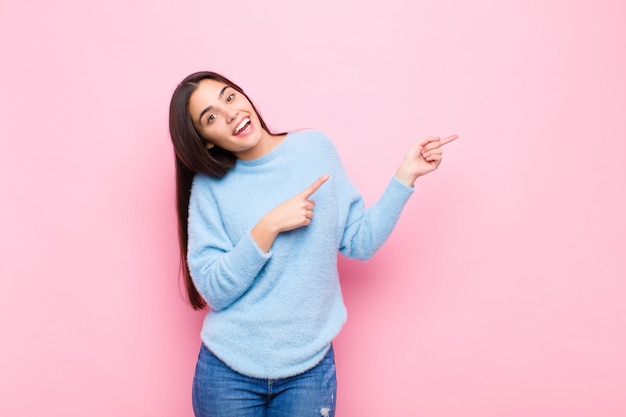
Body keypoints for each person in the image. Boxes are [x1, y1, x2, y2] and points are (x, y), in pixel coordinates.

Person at [168, 71, 457, 417]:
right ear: (206, 141)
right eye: (211, 117)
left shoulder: (314, 150)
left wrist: (405, 175)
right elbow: (213, 289)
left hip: (308, 371)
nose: (230, 114)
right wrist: (267, 227)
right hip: (228, 374)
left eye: (229, 97)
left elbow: (359, 241)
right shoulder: (209, 187)